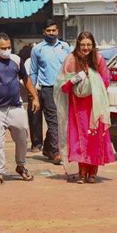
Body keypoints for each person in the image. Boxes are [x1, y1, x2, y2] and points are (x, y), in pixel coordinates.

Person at [0, 33, 40, 187]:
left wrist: (35, 97)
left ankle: (21, 165)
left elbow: (26, 79)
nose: (7, 50)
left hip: (16, 106)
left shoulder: (16, 60)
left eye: (9, 47)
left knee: (23, 136)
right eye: (3, 48)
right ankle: (0, 173)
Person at [54, 31, 115, 183]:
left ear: (93, 46)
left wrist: (92, 77)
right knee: (80, 140)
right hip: (77, 108)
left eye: (89, 45)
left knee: (94, 138)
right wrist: (77, 79)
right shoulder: (71, 59)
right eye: (82, 45)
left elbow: (105, 82)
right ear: (77, 45)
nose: (86, 48)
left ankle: (92, 173)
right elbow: (63, 87)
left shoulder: (98, 59)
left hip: (95, 106)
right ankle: (82, 173)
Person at [30, 19, 71, 163]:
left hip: (65, 88)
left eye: (54, 30)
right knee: (53, 121)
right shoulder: (37, 49)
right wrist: (33, 94)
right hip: (47, 89)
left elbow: (71, 67)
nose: (51, 33)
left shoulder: (66, 47)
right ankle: (56, 152)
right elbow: (33, 71)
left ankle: (47, 147)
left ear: (58, 31)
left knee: (63, 120)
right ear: (43, 32)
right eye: (48, 31)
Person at [18, 44, 43, 153]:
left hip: (48, 90)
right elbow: (24, 78)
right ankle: (36, 143)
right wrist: (31, 89)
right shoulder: (29, 61)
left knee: (52, 119)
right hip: (34, 92)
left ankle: (50, 145)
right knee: (34, 118)